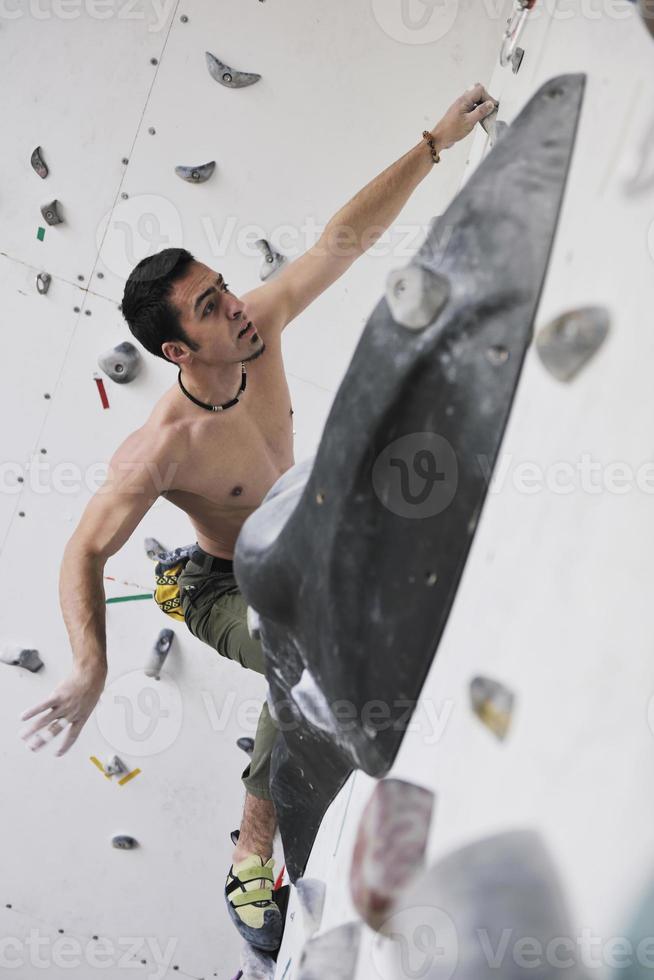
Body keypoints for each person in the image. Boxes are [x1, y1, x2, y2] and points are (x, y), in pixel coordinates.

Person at [19, 84, 497, 950]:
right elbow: (83, 549)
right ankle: (249, 865)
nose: (236, 306)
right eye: (210, 309)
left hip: (303, 538)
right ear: (176, 352)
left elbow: (338, 243)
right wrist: (90, 667)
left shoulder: (259, 328)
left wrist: (433, 141)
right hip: (218, 582)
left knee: (352, 581)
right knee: (295, 633)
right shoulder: (160, 447)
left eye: (224, 289)